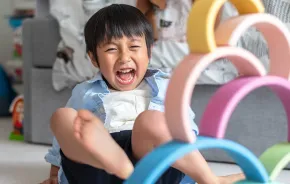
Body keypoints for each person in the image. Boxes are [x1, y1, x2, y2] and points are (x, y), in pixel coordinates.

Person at [41, 4, 244, 184]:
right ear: (94, 59)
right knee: (62, 117)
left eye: (134, 47)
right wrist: (55, 173)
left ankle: (210, 180)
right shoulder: (85, 92)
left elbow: (186, 130)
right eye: (111, 49)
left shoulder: (166, 87)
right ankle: (113, 160)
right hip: (97, 168)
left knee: (152, 121)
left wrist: (194, 165)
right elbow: (64, 141)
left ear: (149, 51)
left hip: (150, 167)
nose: (124, 57)